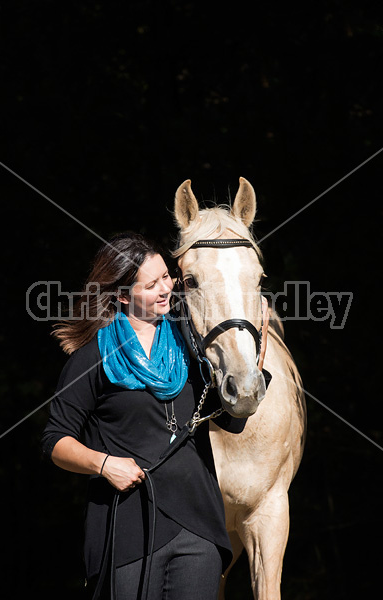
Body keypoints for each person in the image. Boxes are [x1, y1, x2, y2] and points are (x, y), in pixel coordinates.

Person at [41, 232, 270, 600]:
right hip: (128, 529)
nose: (166, 288)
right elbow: (55, 441)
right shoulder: (92, 359)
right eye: (152, 284)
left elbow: (231, 421)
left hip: (197, 527)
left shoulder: (192, 345)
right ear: (122, 296)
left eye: (167, 276)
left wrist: (252, 369)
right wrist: (103, 464)